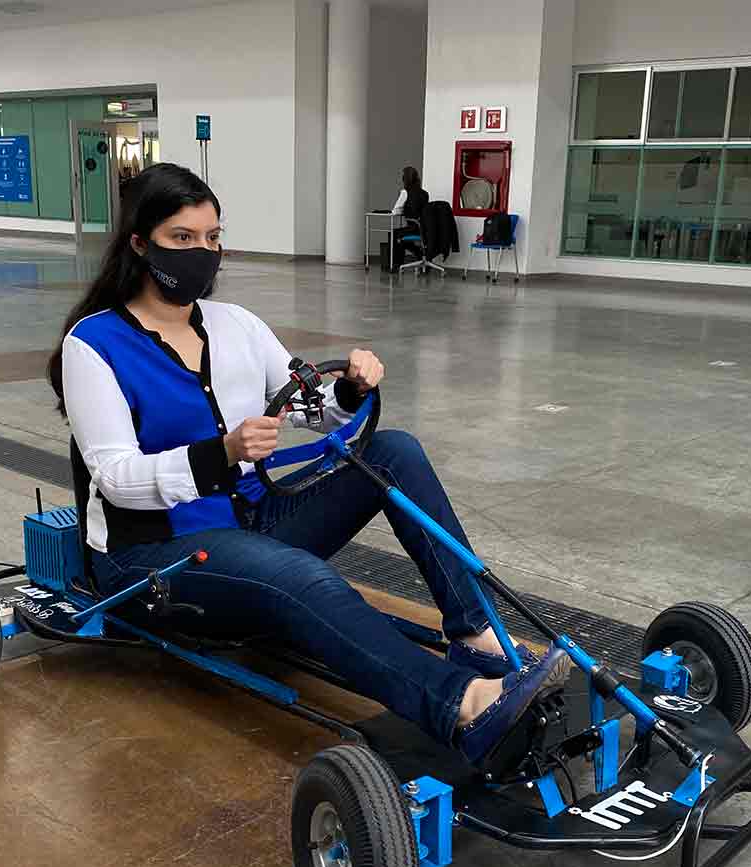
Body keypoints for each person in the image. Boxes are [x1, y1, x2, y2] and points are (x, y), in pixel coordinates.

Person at [46, 162, 568, 766]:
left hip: (252, 518)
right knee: (298, 575)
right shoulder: (93, 345)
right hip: (154, 555)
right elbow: (116, 480)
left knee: (393, 450)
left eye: (212, 238)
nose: (203, 252)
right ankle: (464, 705)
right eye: (182, 239)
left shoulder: (235, 325)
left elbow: (309, 407)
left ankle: (477, 640)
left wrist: (348, 391)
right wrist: (223, 454)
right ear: (140, 245)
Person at [390, 165, 429, 265]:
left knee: (394, 234)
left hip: (413, 227)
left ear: (405, 179)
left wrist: (404, 210)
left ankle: (396, 264)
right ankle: (420, 254)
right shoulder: (425, 193)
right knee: (401, 235)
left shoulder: (405, 192)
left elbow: (395, 211)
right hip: (425, 228)